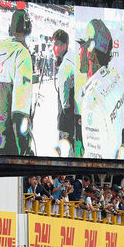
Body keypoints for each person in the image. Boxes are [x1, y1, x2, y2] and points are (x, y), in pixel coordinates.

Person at [0, 8, 34, 155]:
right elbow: (20, 110)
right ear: (28, 28)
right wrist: (24, 149)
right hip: (11, 142)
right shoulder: (22, 54)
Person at [76, 18, 124, 159]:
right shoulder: (116, 78)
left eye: (82, 45)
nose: (80, 50)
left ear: (91, 51)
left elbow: (94, 158)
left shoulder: (91, 101)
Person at [52, 28, 81, 157]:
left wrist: (66, 115)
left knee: (66, 153)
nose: (54, 49)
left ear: (64, 46)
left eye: (56, 45)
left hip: (66, 120)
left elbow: (65, 102)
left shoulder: (65, 66)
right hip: (76, 117)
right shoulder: (74, 58)